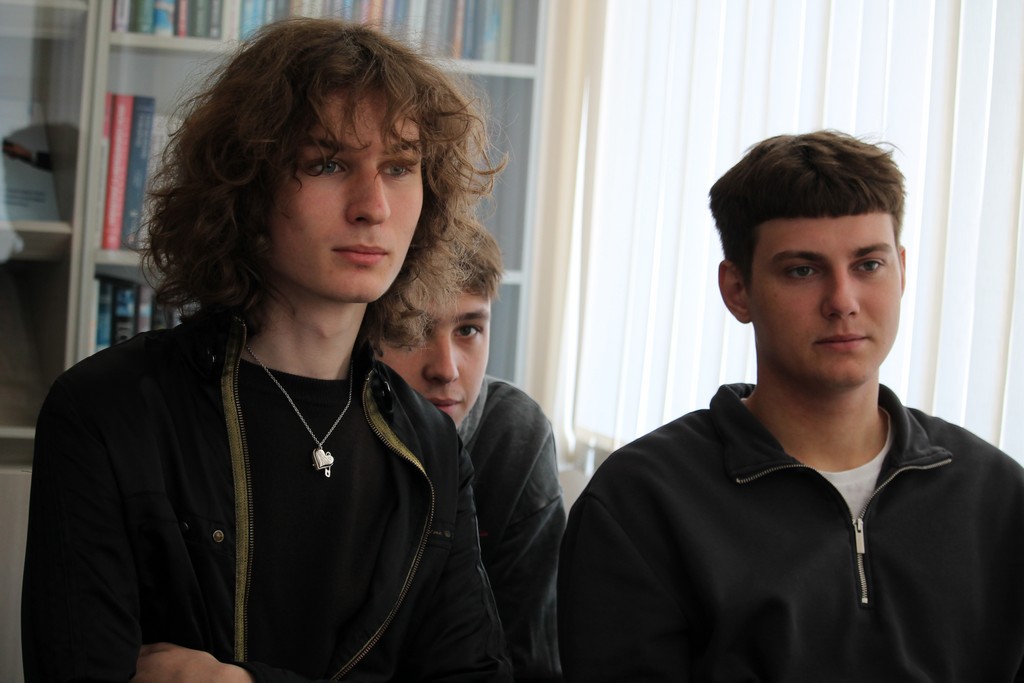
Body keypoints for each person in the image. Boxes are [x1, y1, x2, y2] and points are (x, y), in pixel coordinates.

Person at [22, 17, 512, 683]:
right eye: (328, 163)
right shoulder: (105, 413)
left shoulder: (431, 448)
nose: (373, 206)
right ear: (246, 189)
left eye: (399, 167)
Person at [557, 130, 1024, 681]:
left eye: (868, 265)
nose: (842, 302)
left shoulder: (997, 496)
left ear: (901, 270)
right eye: (803, 270)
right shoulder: (641, 503)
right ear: (738, 290)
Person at [376, 222, 566, 683]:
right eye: (414, 329)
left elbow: (530, 658)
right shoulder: (326, 435)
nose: (446, 369)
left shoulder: (513, 436)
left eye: (468, 329)